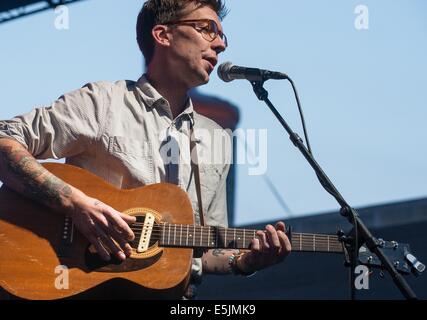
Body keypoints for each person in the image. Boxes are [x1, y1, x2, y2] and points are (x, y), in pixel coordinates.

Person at [0, 0, 291, 299]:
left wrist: (245, 262)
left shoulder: (215, 137)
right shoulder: (102, 103)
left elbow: (202, 250)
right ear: (163, 35)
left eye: (222, 36)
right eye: (207, 29)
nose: (220, 45)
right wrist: (74, 204)